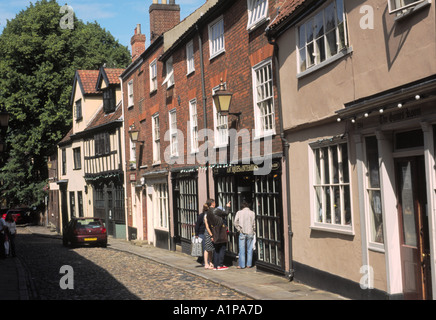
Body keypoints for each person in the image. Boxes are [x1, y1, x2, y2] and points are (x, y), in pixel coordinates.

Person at [207, 201, 231, 270]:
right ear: (212, 203)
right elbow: (226, 213)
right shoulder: (215, 210)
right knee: (222, 247)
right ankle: (220, 265)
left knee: (216, 249)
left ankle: (216, 265)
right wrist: (227, 206)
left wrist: (211, 235)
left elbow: (209, 223)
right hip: (220, 231)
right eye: (214, 203)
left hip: (214, 231)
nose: (215, 204)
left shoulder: (208, 212)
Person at [234, 200, 256, 269]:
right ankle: (249, 264)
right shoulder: (252, 213)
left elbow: (235, 222)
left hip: (242, 232)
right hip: (250, 232)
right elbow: (254, 223)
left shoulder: (239, 212)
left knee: (242, 249)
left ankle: (242, 265)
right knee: (250, 249)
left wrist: (239, 229)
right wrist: (253, 229)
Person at [195, 202, 214, 269]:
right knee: (205, 248)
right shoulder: (202, 216)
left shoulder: (205, 215)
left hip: (204, 233)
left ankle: (208, 262)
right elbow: (197, 225)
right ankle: (206, 262)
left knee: (207, 247)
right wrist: (196, 234)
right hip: (202, 233)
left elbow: (197, 225)